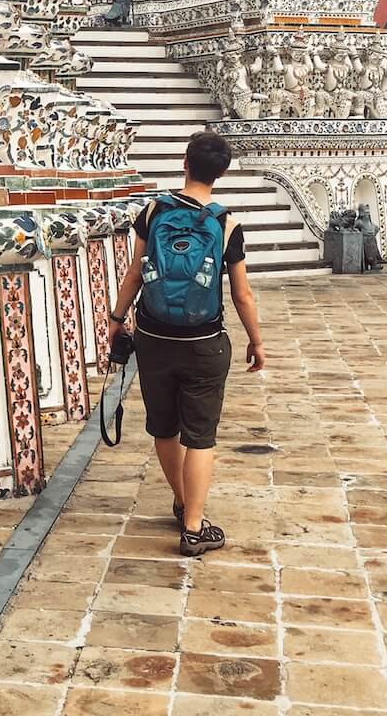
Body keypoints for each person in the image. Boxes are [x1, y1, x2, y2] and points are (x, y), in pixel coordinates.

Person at [107, 131, 266, 558]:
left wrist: (117, 319)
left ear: (185, 163)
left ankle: (181, 499)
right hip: (204, 343)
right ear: (223, 172)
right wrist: (256, 341)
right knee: (200, 435)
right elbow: (241, 294)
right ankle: (194, 527)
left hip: (154, 338)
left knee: (164, 426)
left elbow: (134, 274)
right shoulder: (225, 223)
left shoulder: (154, 210)